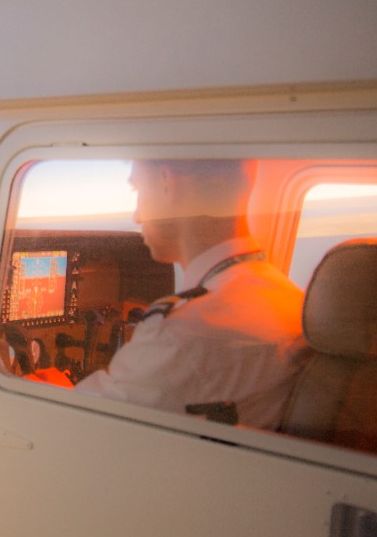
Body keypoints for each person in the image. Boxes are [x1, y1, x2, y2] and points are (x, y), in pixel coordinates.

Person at [74, 159, 305, 429]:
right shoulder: (291, 298)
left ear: (167, 183)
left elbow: (79, 425)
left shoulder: (180, 334)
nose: (136, 216)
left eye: (137, 190)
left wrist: (54, 387)